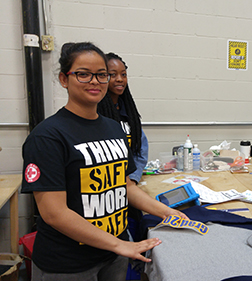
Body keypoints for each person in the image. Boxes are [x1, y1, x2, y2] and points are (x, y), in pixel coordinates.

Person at [21, 42, 187, 281]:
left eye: (101, 75)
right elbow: (53, 213)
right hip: (68, 264)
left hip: (112, 255)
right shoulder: (47, 136)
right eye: (83, 74)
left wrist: (166, 211)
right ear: (64, 79)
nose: (94, 81)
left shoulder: (114, 128)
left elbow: (126, 186)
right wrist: (119, 245)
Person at [97, 53, 148, 230]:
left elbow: (140, 152)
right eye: (112, 74)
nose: (119, 79)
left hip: (128, 188)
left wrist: (132, 179)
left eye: (123, 74)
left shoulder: (129, 112)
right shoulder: (95, 113)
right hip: (106, 195)